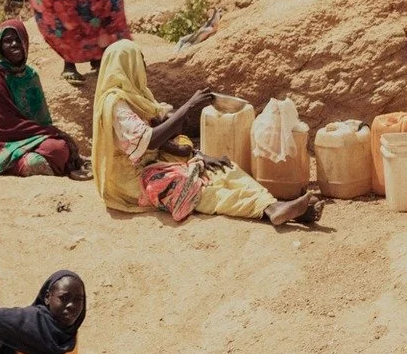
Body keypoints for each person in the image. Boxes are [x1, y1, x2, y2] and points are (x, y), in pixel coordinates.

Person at [90, 40, 317, 228]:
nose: (144, 69)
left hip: (152, 162)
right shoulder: (116, 104)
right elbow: (150, 140)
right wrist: (188, 107)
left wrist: (196, 153)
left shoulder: (139, 95)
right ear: (127, 66)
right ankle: (265, 210)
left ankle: (271, 205)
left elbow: (163, 127)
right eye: (140, 64)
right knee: (194, 186)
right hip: (130, 181)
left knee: (220, 168)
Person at [0, 19, 87, 179]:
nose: (14, 44)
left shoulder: (30, 75)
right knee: (36, 161)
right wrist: (51, 133)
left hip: (31, 137)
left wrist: (50, 134)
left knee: (58, 148)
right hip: (1, 143)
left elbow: (42, 120)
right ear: (0, 46)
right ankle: (27, 165)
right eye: (7, 41)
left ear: (25, 42)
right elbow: (2, 126)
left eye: (18, 39)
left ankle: (44, 163)